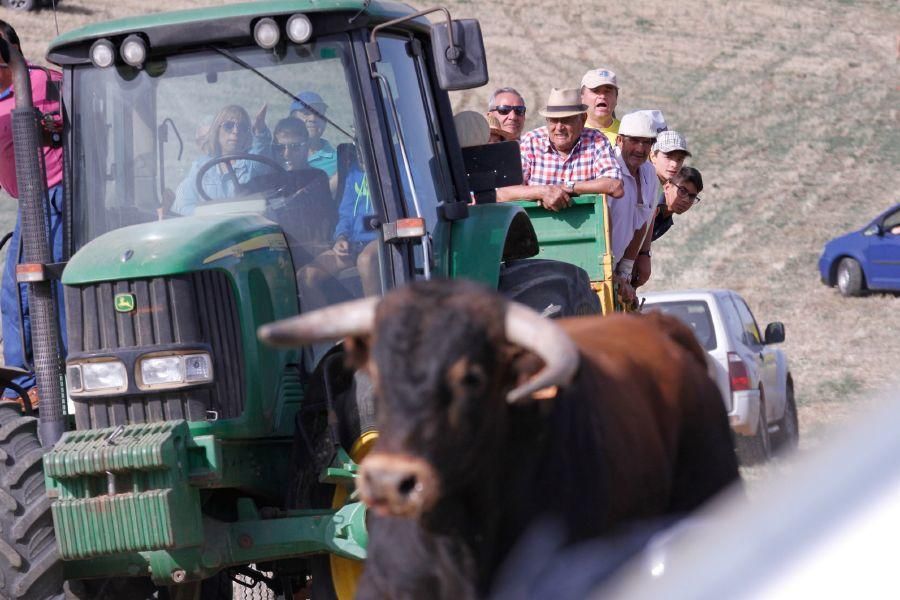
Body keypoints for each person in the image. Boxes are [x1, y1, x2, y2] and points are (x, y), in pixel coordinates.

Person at [0, 20, 65, 410]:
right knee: (18, 290)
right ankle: (28, 381)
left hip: (56, 196)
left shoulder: (42, 83)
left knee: (33, 289)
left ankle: (31, 384)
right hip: (33, 200)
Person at [496, 87, 623, 210]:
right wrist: (542, 191)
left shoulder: (596, 140)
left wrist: (568, 187)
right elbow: (502, 192)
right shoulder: (531, 142)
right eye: (553, 120)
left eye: (566, 120)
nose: (559, 127)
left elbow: (615, 185)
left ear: (583, 119)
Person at [296, 142, 380, 311]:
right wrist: (341, 238)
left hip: (382, 238)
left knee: (366, 260)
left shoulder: (397, 166)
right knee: (306, 276)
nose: (361, 157)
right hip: (354, 243)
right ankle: (331, 334)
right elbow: (346, 213)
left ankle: (377, 327)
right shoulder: (354, 172)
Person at [171, 104, 271, 215]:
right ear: (216, 131)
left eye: (242, 127)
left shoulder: (253, 165)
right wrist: (207, 216)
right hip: (213, 229)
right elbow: (183, 205)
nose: (236, 131)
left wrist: (260, 132)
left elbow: (262, 152)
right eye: (229, 126)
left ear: (247, 134)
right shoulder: (200, 168)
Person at [266, 118, 336, 269]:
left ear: (307, 147)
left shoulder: (317, 178)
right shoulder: (267, 181)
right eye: (280, 148)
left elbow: (325, 220)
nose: (286, 154)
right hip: (275, 251)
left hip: (307, 251)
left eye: (295, 147)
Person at [609, 111, 662, 301]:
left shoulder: (649, 173)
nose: (640, 148)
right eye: (634, 141)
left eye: (647, 142)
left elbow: (642, 222)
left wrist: (625, 272)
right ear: (620, 140)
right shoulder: (608, 169)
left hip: (617, 270)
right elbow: (599, 223)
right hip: (597, 267)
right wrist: (609, 273)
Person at [650, 130, 695, 241]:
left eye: (680, 159)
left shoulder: (655, 187)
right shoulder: (639, 182)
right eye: (668, 157)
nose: (674, 164)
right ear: (653, 156)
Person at [289, 91, 337, 177]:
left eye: (318, 113)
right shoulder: (281, 154)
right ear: (293, 120)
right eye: (306, 113)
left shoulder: (338, 162)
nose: (313, 118)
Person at [581, 68, 620, 146]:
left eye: (607, 91)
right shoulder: (573, 134)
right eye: (595, 91)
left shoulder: (628, 134)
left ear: (616, 98)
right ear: (581, 98)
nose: (602, 96)